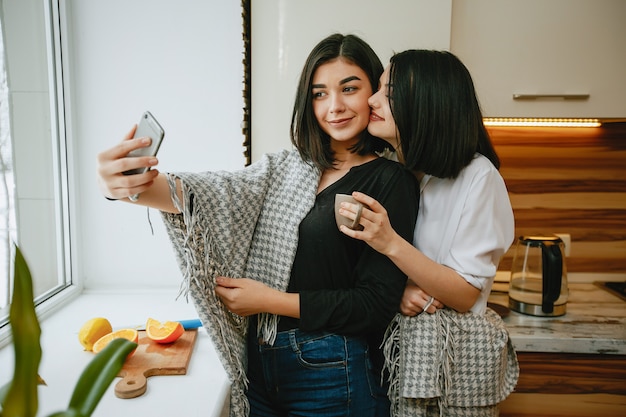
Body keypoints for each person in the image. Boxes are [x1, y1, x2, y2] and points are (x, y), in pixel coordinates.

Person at [97, 34, 419, 417]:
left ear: (373, 93)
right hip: (260, 367)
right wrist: (126, 187)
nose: (334, 106)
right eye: (319, 94)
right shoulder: (286, 168)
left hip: (336, 371)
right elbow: (219, 194)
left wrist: (268, 300)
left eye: (349, 88)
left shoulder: (391, 181)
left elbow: (373, 305)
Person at [338, 50, 519, 416]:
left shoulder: (478, 178)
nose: (372, 99)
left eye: (387, 92)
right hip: (388, 359)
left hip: (452, 369)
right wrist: (398, 291)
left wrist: (390, 243)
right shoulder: (390, 168)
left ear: (425, 103)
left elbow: (466, 293)